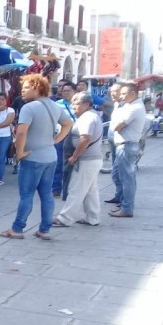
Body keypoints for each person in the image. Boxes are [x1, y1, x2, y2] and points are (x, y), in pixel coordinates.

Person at [0, 74, 72, 240]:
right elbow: (68, 124)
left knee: (26, 195)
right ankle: (44, 229)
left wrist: (19, 153)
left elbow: (21, 131)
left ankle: (17, 228)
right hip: (50, 156)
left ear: (37, 87)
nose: (22, 91)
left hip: (32, 157)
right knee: (46, 194)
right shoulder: (54, 106)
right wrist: (55, 141)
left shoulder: (29, 108)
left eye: (26, 88)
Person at [52, 92, 104, 227]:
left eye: (76, 103)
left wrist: (75, 156)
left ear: (86, 104)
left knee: (76, 189)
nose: (73, 105)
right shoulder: (90, 116)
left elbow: (85, 138)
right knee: (90, 190)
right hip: (91, 159)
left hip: (86, 160)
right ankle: (93, 217)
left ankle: (65, 218)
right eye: (72, 102)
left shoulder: (88, 117)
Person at [108, 82, 146, 218]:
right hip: (124, 145)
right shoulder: (129, 105)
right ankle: (125, 204)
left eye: (124, 94)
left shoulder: (134, 108)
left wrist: (115, 123)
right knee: (119, 175)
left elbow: (116, 126)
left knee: (127, 178)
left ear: (132, 93)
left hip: (127, 145)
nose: (121, 96)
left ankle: (127, 208)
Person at [53, 83, 76, 198]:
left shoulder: (78, 104)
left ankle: (70, 189)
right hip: (61, 136)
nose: (65, 93)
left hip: (76, 136)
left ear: (74, 91)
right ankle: (56, 188)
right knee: (58, 163)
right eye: (63, 91)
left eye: (68, 90)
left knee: (73, 163)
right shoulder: (57, 104)